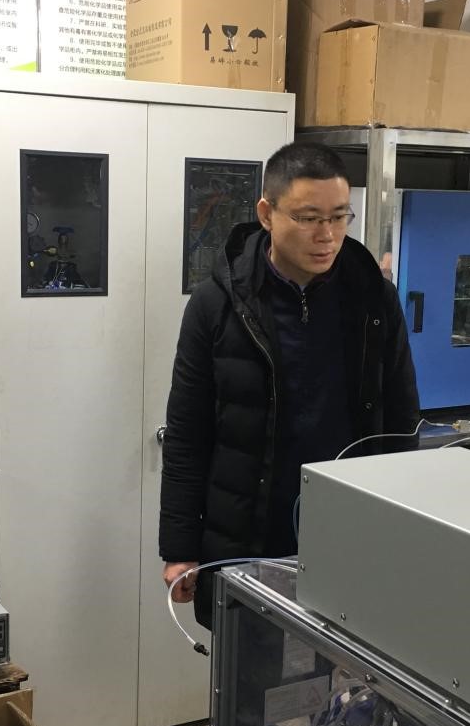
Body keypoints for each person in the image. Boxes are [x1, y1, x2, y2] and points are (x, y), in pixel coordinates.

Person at [160, 142, 420, 630]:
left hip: (347, 531)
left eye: (339, 217)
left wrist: (401, 534)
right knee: (249, 664)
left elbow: (402, 421)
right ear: (266, 214)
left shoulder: (373, 300)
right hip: (247, 535)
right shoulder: (217, 304)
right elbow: (187, 435)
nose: (327, 235)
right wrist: (179, 548)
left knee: (347, 667)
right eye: (308, 218)